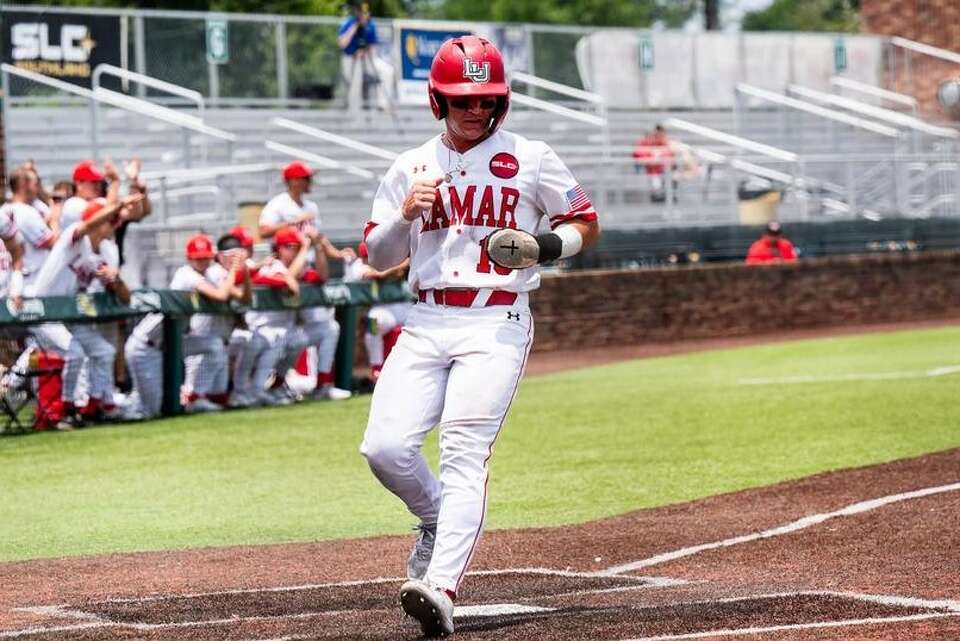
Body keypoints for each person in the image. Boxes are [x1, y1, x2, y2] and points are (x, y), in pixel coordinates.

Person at [360, 36, 600, 637]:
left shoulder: (531, 156)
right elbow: (377, 252)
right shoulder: (410, 165)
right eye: (464, 99)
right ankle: (436, 518)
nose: (477, 110)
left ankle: (439, 587)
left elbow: (585, 222)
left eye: (488, 99)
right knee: (385, 449)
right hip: (426, 317)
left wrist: (545, 245)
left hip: (497, 317)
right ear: (437, 100)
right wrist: (405, 215)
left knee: (465, 453)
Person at [29, 196, 141, 427]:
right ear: (98, 221)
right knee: (75, 352)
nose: (115, 224)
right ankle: (68, 409)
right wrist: (118, 205)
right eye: (111, 220)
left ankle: (94, 407)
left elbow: (126, 298)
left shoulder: (108, 251)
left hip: (70, 316)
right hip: (42, 310)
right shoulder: (73, 238)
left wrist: (116, 280)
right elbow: (87, 225)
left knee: (104, 351)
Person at [259, 162, 354, 401]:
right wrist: (293, 222)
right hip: (285, 267)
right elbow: (263, 231)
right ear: (292, 180)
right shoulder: (279, 203)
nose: (310, 181)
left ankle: (320, 385)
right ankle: (257, 389)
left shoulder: (311, 206)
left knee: (327, 327)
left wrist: (335, 254)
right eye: (305, 177)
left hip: (308, 270)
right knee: (275, 333)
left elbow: (318, 238)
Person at [231, 226, 310, 408]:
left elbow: (316, 277)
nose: (296, 251)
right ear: (280, 248)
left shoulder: (294, 267)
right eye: (292, 247)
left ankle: (274, 385)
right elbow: (261, 279)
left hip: (279, 327)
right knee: (266, 340)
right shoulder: (272, 264)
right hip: (258, 326)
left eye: (298, 248)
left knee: (299, 338)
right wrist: (287, 279)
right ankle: (245, 391)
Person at [171, 233, 247, 413]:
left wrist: (243, 272)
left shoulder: (206, 275)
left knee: (214, 345)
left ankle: (197, 397)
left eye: (205, 258)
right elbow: (221, 295)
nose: (202, 262)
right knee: (151, 407)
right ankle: (193, 397)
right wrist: (235, 270)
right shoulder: (186, 274)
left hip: (175, 338)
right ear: (189, 259)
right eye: (197, 259)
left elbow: (241, 296)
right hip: (152, 340)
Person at [344, 243, 411, 383]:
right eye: (365, 257)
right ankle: (376, 368)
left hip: (404, 306)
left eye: (370, 257)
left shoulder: (388, 258)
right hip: (382, 309)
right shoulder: (358, 266)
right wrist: (391, 270)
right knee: (372, 324)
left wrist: (397, 267)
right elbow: (375, 274)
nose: (367, 260)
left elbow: (402, 267)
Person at [337, 1, 392, 113]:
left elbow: (373, 46)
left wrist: (364, 51)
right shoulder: (348, 23)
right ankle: (353, 112)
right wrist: (355, 27)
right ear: (357, 13)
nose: (364, 16)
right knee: (355, 84)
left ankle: (382, 104)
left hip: (367, 58)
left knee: (388, 71)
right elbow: (342, 43)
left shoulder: (371, 25)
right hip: (350, 58)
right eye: (361, 13)